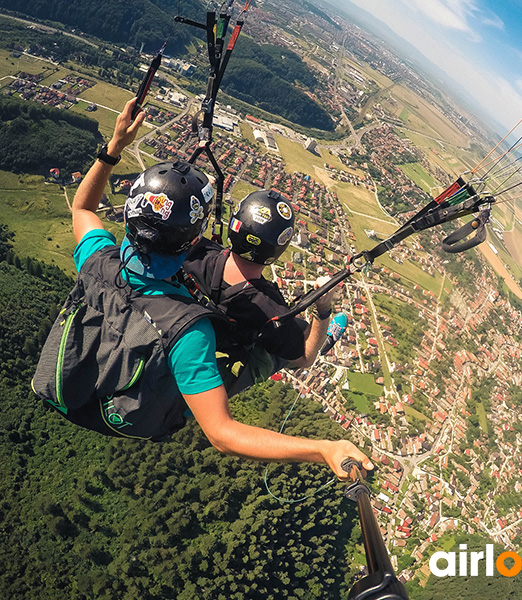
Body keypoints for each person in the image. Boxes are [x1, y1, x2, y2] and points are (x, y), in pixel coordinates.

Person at [50, 97, 372, 479]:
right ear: (189, 241)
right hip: (134, 410)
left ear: (129, 214)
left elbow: (82, 209)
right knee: (264, 359)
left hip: (80, 381)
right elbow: (222, 434)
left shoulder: (97, 258)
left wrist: (114, 147)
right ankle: (324, 326)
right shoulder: (189, 332)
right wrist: (321, 448)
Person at [182, 189, 336, 395]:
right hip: (225, 353)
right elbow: (305, 359)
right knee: (298, 333)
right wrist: (323, 310)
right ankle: (322, 338)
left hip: (187, 334)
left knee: (287, 329)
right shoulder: (269, 309)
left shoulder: (196, 252)